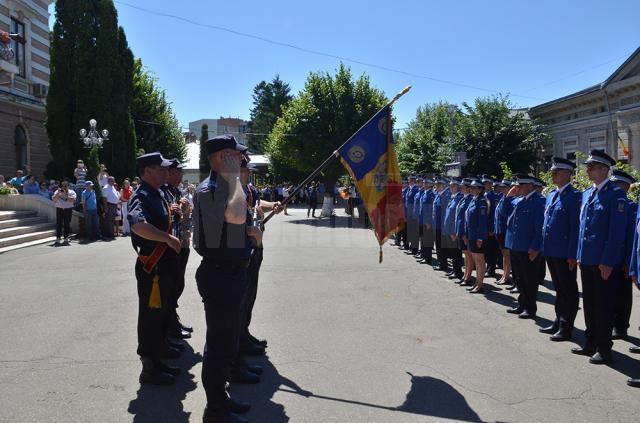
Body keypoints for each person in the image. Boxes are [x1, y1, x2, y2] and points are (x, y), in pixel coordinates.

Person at [192, 135, 261, 422]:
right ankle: (215, 410)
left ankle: (221, 398)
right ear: (221, 158)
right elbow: (234, 215)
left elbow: (235, 227)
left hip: (234, 273)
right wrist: (235, 179)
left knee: (229, 342)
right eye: (235, 155)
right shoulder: (210, 189)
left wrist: (251, 235)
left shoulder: (227, 186)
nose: (242, 160)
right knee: (219, 346)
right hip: (219, 276)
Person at [127, 152, 182, 385]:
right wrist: (167, 239)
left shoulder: (157, 193)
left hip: (165, 266)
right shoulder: (140, 195)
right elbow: (138, 225)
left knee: (161, 316)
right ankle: (148, 368)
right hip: (153, 268)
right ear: (148, 171)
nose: (165, 173)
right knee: (150, 318)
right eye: (161, 169)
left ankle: (158, 360)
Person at [572, 150, 627, 365]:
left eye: (592, 167)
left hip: (603, 261)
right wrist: (579, 254)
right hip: (587, 258)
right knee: (590, 304)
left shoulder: (616, 194)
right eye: (588, 166)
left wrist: (608, 260)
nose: (587, 170)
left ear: (604, 169)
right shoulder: (587, 193)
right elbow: (583, 228)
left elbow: (616, 232)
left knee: (603, 305)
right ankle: (591, 342)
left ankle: (604, 349)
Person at [539, 158, 581, 341]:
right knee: (559, 289)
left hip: (565, 253)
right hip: (551, 250)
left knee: (568, 290)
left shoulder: (575, 197)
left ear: (567, 174)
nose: (553, 175)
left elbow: (575, 228)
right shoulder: (551, 195)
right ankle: (558, 320)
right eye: (552, 172)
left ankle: (566, 326)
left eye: (556, 172)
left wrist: (572, 254)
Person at [504, 174, 545, 319]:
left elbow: (540, 227)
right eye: (517, 186)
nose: (517, 188)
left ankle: (530, 308)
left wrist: (535, 247)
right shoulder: (518, 200)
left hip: (529, 248)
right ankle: (522, 304)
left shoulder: (539, 201)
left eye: (520, 186)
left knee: (530, 280)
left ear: (530, 186)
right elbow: (504, 212)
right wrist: (508, 197)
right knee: (519, 278)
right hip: (516, 245)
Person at [161, 159, 193, 341]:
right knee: (171, 286)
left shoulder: (177, 191)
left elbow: (183, 215)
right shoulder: (164, 192)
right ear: (169, 173)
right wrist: (171, 209)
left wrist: (186, 209)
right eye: (178, 172)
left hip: (182, 242)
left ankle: (173, 319)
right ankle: (170, 325)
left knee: (178, 283)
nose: (181, 175)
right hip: (171, 246)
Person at [610, 169, 637, 341]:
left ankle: (621, 326)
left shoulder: (632, 207)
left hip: (623, 260)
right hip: (608, 258)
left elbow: (631, 239)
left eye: (616, 185)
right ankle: (611, 322)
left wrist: (628, 262)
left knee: (622, 295)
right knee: (609, 294)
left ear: (626, 187)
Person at [494, 179, 514, 287]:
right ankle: (504, 275)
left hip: (506, 231)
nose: (502, 189)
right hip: (500, 231)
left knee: (507, 256)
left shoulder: (510, 200)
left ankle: (506, 277)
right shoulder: (503, 198)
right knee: (504, 255)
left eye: (504, 187)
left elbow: (505, 214)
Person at [443, 178, 464, 279]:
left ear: (458, 187)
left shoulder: (460, 198)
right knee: (452, 252)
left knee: (456, 253)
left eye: (453, 186)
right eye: (450, 186)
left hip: (453, 231)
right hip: (448, 229)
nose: (451, 188)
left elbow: (457, 217)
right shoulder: (453, 197)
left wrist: (453, 231)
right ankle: (454, 270)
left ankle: (458, 272)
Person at [455, 178, 475, 286]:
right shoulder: (464, 198)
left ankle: (468, 277)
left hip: (464, 231)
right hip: (460, 230)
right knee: (466, 255)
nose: (460, 188)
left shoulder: (469, 199)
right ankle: (465, 275)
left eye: (462, 187)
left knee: (468, 255)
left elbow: (467, 219)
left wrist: (464, 233)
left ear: (468, 188)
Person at [482, 175, 501, 278]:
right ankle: (486, 268)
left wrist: (491, 228)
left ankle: (491, 270)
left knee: (491, 250)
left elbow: (494, 215)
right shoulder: (483, 195)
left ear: (490, 185)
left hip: (489, 227)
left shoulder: (493, 197)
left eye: (487, 184)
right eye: (484, 184)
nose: (485, 185)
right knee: (485, 249)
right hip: (483, 227)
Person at [433, 176, 451, 271]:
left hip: (443, 226)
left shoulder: (447, 196)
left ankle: (443, 265)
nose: (435, 186)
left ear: (443, 185)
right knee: (439, 246)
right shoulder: (439, 194)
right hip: (437, 225)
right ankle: (441, 263)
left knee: (443, 247)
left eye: (437, 184)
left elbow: (446, 213)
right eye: (436, 184)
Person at [52, 180, 77, 244]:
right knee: (58, 224)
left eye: (66, 186)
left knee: (67, 224)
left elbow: (73, 200)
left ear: (68, 186)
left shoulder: (72, 192)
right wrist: (58, 194)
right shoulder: (58, 191)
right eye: (63, 186)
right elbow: (54, 200)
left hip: (68, 210)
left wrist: (66, 195)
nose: (64, 187)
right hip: (59, 209)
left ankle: (66, 238)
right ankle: (58, 238)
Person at [418, 178, 435, 264]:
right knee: (423, 239)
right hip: (422, 220)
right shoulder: (424, 193)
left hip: (427, 221)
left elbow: (431, 210)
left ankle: (428, 258)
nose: (423, 184)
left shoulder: (431, 194)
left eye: (425, 182)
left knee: (427, 240)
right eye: (424, 182)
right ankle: (424, 255)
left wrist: (428, 222)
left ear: (430, 184)